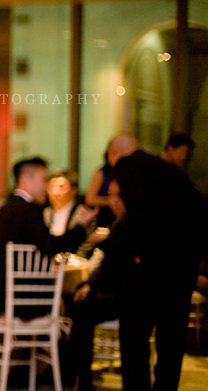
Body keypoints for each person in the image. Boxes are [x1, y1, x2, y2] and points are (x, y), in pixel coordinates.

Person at [0, 157, 97, 391]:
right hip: (26, 303)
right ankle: (66, 378)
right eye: (43, 179)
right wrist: (82, 227)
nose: (46, 186)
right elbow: (52, 246)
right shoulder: (29, 211)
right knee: (68, 306)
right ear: (26, 179)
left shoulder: (1, 211)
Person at [109, 133, 205, 391]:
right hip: (182, 270)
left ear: (114, 154)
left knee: (134, 338)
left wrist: (137, 250)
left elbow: (138, 206)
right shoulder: (173, 173)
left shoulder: (127, 164)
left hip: (150, 268)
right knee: (171, 340)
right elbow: (201, 211)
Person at [67, 179, 130, 391]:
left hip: (126, 295)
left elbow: (121, 261)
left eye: (118, 196)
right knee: (75, 300)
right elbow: (107, 264)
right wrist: (88, 285)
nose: (113, 202)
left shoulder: (133, 224)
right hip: (109, 291)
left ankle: (81, 377)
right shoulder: (118, 222)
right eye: (110, 196)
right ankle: (75, 373)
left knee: (82, 310)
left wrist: (102, 243)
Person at [84, 144, 116, 227]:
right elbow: (90, 199)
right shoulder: (101, 173)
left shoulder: (124, 173)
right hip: (104, 216)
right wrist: (110, 201)